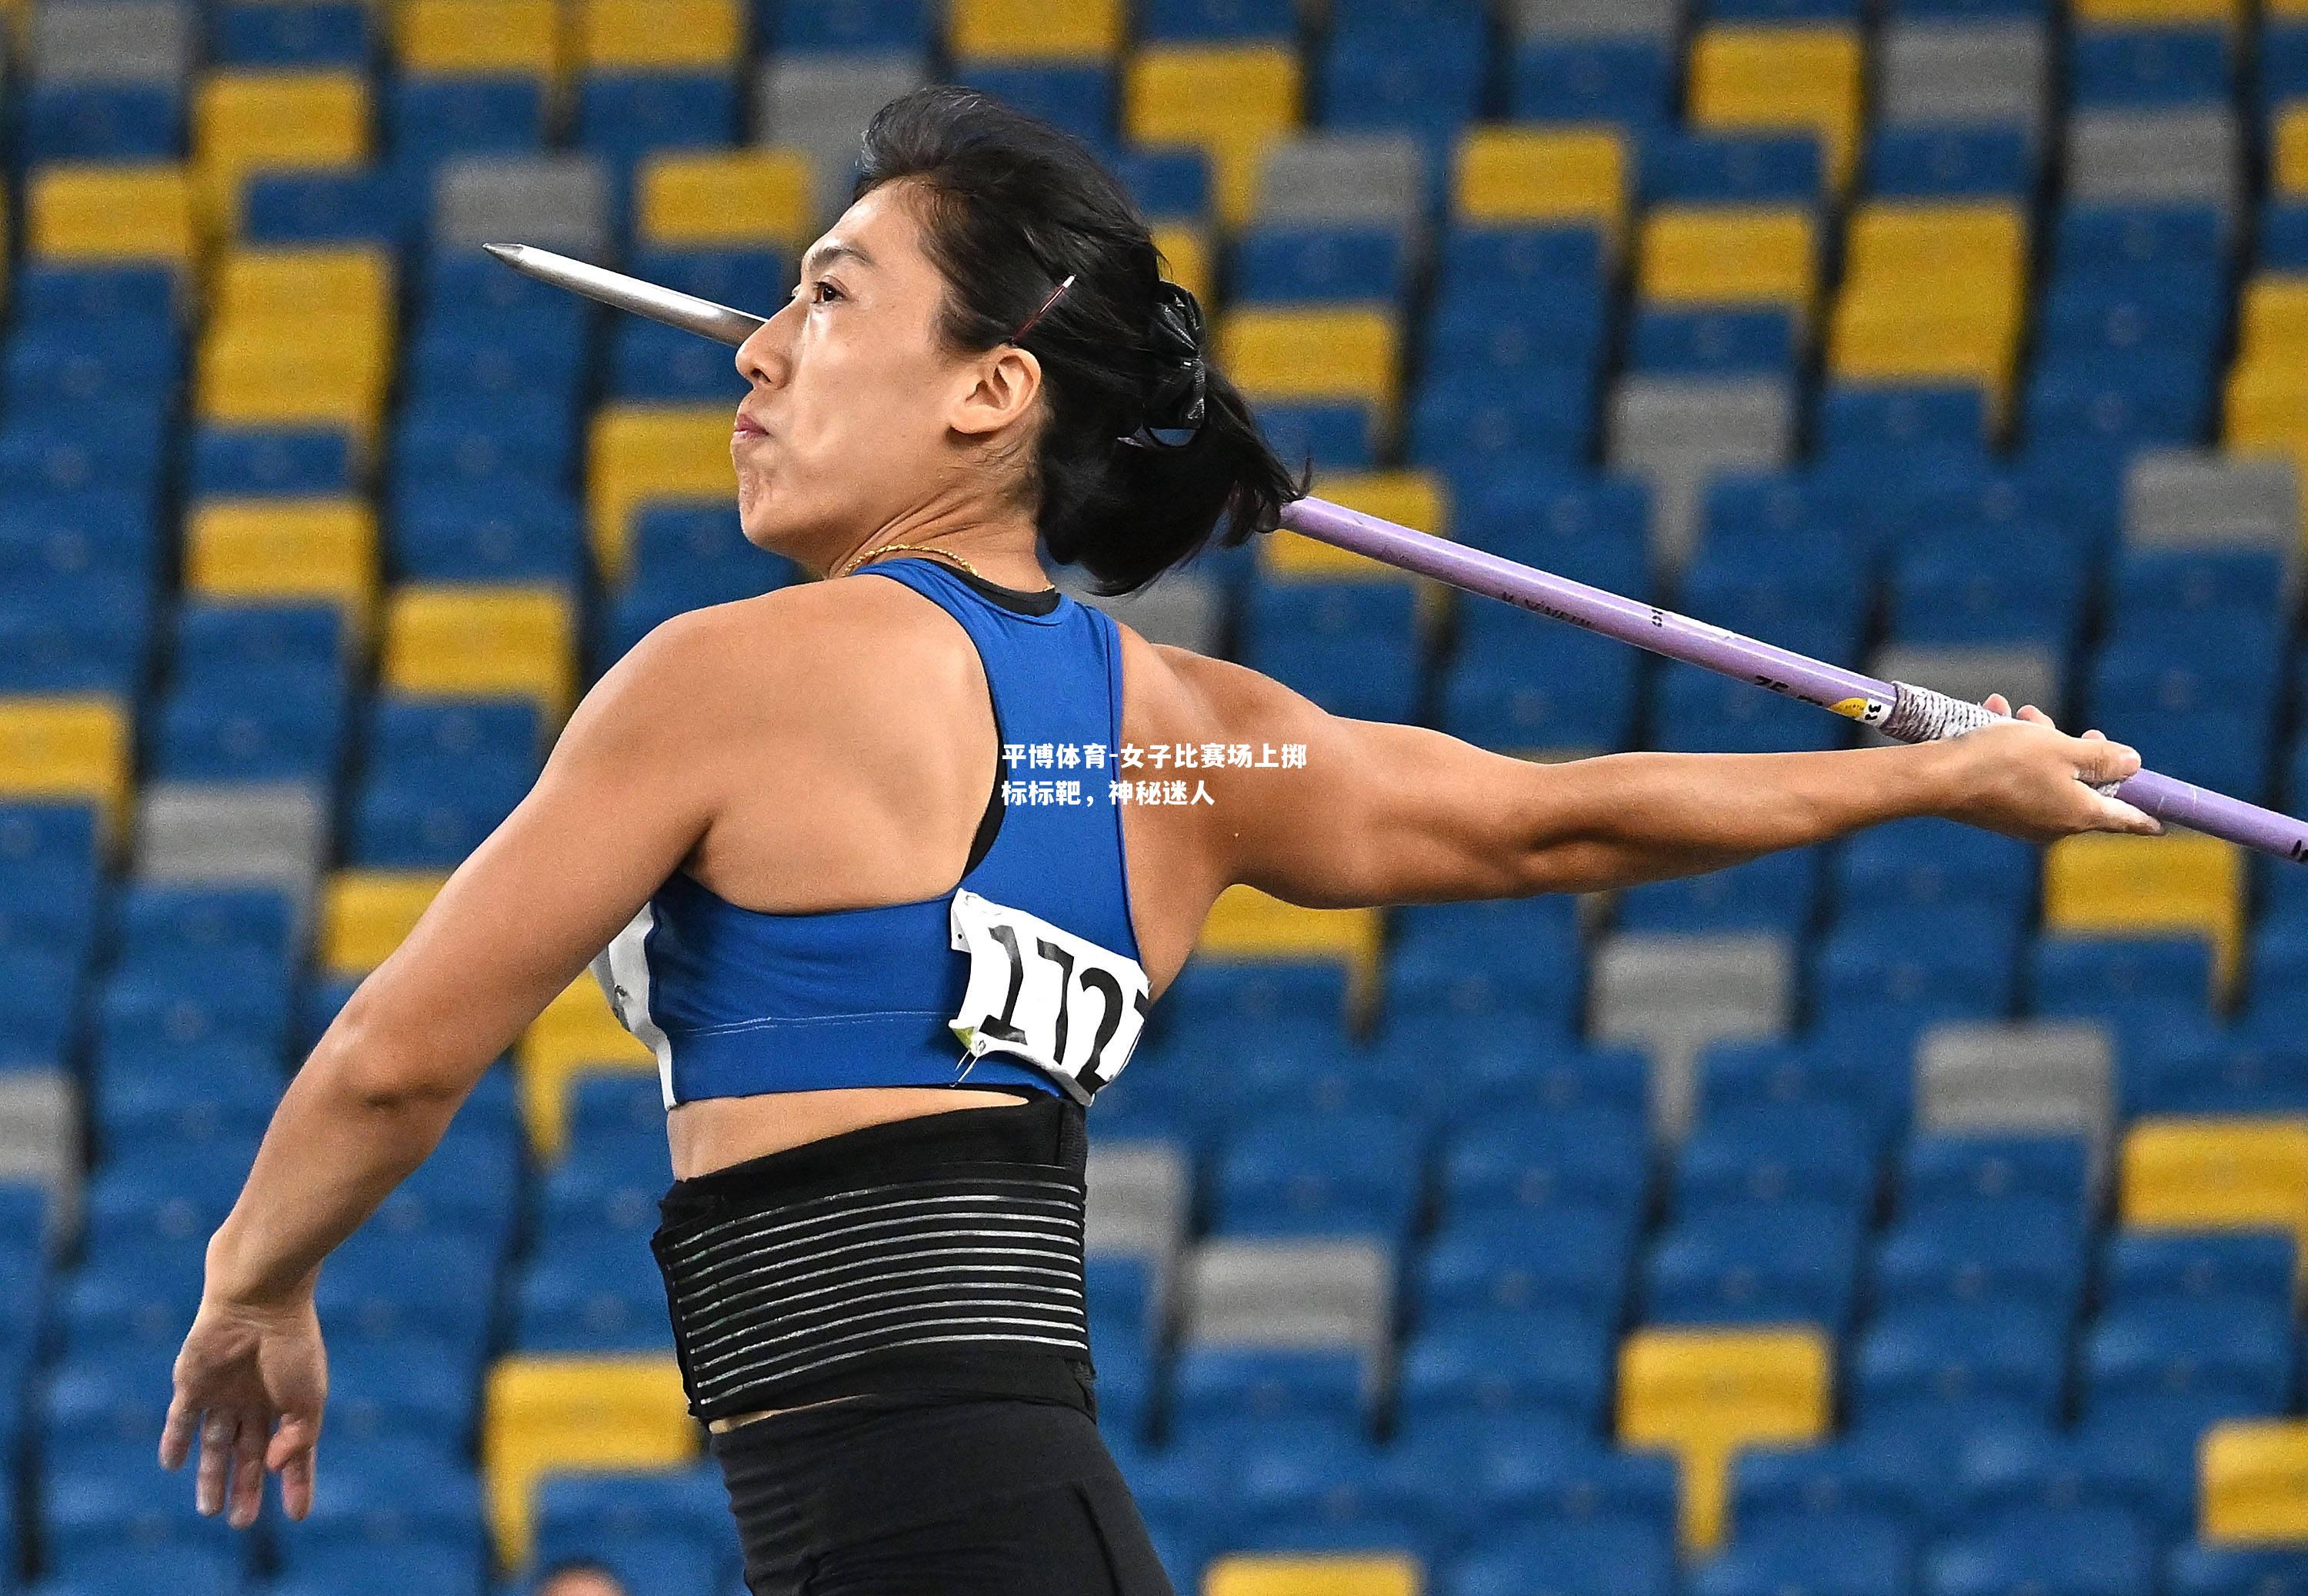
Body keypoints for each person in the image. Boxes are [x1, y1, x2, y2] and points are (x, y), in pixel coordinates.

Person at [158, 85, 2160, 1596]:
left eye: (825, 298)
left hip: (919, 1531)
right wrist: (1926, 773)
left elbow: (397, 1053)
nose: (753, 351)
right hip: (1001, 1522)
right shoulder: (1177, 748)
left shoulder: (736, 679)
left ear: (993, 394)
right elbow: (1554, 826)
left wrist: (259, 1276)